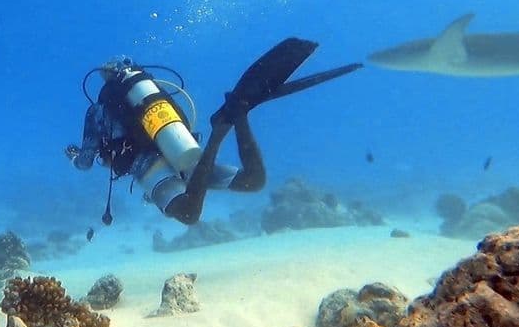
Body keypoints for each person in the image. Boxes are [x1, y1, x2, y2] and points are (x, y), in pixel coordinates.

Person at [66, 38, 362, 225]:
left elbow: (86, 162)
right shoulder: (149, 92)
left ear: (104, 79)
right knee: (252, 182)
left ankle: (221, 132)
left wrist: (75, 157)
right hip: (180, 145)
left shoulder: (98, 109)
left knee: (187, 213)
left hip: (147, 165)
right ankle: (237, 115)